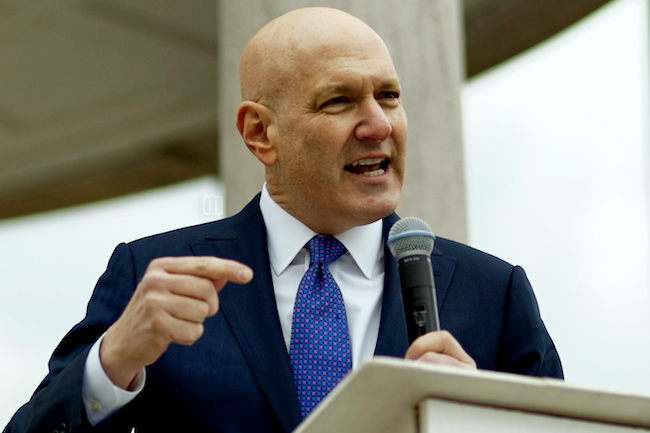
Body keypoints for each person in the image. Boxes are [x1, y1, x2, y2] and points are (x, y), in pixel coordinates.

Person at [4, 6, 562, 433]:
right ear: (260, 134)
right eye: (339, 101)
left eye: (389, 96)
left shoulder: (494, 295)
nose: (378, 125)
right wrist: (113, 361)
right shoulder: (154, 276)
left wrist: (480, 425)